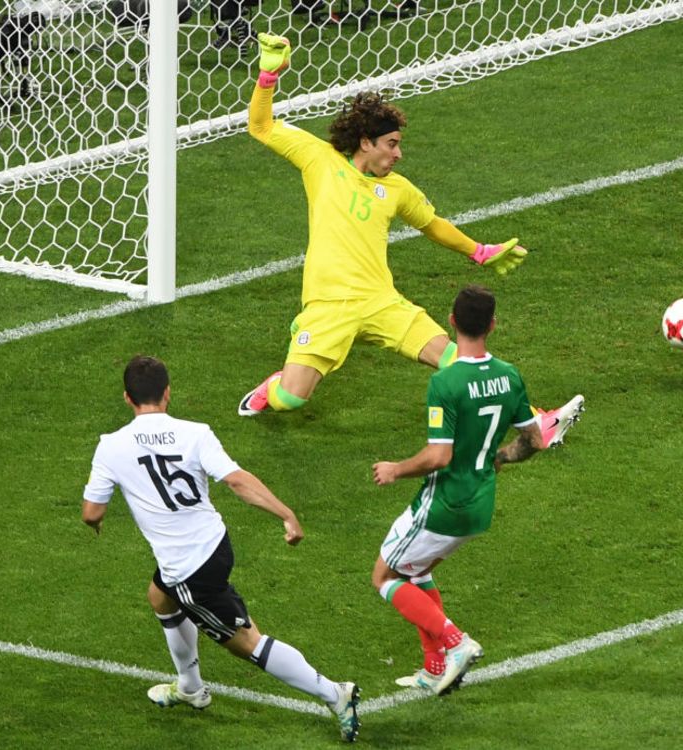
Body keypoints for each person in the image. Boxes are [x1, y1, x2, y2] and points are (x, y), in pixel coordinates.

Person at [240, 33, 583, 449]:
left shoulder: (398, 188)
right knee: (291, 398)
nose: (398, 154)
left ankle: (540, 421)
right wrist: (268, 76)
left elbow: (432, 224)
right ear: (366, 143)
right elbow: (260, 126)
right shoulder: (320, 160)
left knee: (460, 361)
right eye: (392, 144)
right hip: (328, 307)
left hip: (382, 302)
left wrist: (479, 251)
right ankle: (273, 385)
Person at [81, 355, 361, 743]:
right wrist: (285, 513)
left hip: (189, 570)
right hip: (215, 544)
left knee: (247, 642)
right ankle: (190, 687)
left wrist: (95, 523)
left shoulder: (110, 446)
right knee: (159, 598)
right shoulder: (196, 432)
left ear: (127, 398)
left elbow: (92, 511)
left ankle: (335, 693)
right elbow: (237, 481)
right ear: (167, 393)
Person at [370, 285, 559, 695]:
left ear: (452, 321)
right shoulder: (510, 376)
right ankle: (434, 667)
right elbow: (534, 440)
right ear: (493, 324)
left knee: (385, 576)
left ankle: (455, 642)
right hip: (480, 504)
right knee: (416, 572)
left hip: (444, 503)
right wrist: (500, 457)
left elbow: (439, 456)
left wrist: (395, 469)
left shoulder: (447, 381)